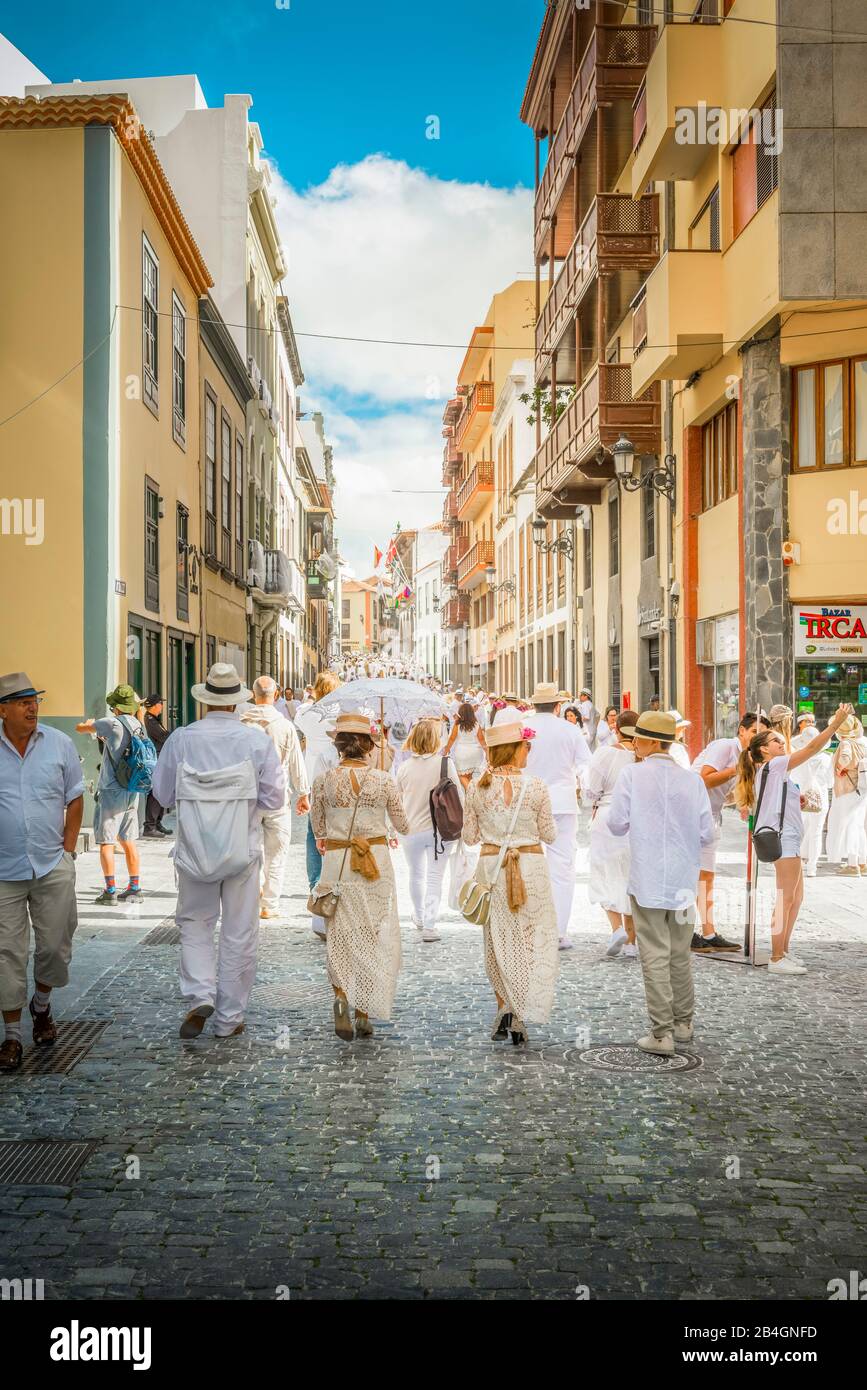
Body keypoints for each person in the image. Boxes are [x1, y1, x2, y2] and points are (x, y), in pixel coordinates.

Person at [151, 663, 286, 1039]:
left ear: (205, 700)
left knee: (194, 923)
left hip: (194, 850)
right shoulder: (256, 741)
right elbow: (275, 798)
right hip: (241, 850)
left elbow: (161, 794)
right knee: (240, 931)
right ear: (236, 703)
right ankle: (229, 1019)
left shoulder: (181, 739)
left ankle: (198, 996)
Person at [608, 710, 716, 1055]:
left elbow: (616, 824)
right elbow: (707, 833)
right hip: (684, 880)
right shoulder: (692, 780)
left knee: (654, 952)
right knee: (679, 953)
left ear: (653, 741)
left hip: (648, 877)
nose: (634, 743)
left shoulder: (632, 775)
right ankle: (684, 1024)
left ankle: (661, 1033)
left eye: (638, 738)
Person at [0, 672, 84, 1072]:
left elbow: (75, 796)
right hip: (3, 869)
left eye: (35, 700)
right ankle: (13, 1036)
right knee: (6, 953)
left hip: (52, 863)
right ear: (2, 710)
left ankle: (42, 1005)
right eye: (22, 702)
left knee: (54, 946)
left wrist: (68, 849)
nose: (32, 707)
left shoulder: (59, 744)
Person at [311, 713, 409, 1041]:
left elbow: (319, 830)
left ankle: (340, 997)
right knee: (371, 933)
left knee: (339, 933)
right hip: (375, 863)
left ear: (338, 745)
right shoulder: (383, 780)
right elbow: (403, 824)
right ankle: (364, 1011)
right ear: (368, 745)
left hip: (338, 861)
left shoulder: (323, 780)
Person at [733, 704, 852, 974]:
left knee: (796, 897)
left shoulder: (775, 772)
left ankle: (783, 950)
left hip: (790, 837)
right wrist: (835, 725)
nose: (780, 743)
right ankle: (776, 957)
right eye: (775, 741)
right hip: (783, 838)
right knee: (785, 898)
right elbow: (811, 750)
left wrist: (794, 798)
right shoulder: (774, 765)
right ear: (764, 749)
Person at [462, 720, 558, 1045]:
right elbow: (550, 834)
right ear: (516, 750)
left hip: (492, 869)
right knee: (528, 941)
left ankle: (505, 1005)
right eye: (525, 745)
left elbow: (470, 837)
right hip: (530, 866)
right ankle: (518, 1011)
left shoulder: (477, 787)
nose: (528, 750)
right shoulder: (537, 787)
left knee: (496, 941)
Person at [691, 712, 769, 952]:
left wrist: (743, 802)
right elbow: (705, 779)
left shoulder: (750, 760)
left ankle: (709, 932)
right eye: (754, 732)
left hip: (711, 816)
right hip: (691, 813)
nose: (758, 738)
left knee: (707, 876)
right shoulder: (725, 747)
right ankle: (685, 930)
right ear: (742, 732)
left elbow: (728, 795)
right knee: (690, 875)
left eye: (763, 736)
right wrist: (737, 769)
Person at [524, 682, 591, 949]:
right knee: (562, 867)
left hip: (528, 800)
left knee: (528, 864)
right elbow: (586, 764)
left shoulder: (523, 728)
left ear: (534, 704)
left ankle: (531, 927)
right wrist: (586, 791)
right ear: (557, 705)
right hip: (562, 802)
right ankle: (560, 931)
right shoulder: (569, 729)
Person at [240, 676, 311, 918]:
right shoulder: (285, 726)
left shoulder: (242, 724)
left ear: (253, 694)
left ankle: (255, 889)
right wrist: (303, 793)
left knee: (251, 847)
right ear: (277, 695)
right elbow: (296, 763)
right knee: (277, 851)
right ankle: (269, 904)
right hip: (277, 794)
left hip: (247, 794)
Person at [75, 685, 147, 904]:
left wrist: (89, 723)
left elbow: (80, 728)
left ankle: (110, 890)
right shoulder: (137, 725)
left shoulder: (111, 723)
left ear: (115, 707)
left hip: (111, 789)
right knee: (128, 840)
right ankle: (134, 887)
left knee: (107, 841)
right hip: (132, 789)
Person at [396, 719, 463, 942]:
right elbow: (459, 797)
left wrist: (391, 830)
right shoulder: (445, 764)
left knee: (415, 874)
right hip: (440, 830)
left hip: (410, 829)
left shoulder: (404, 768)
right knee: (435, 876)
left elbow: (396, 801)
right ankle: (430, 926)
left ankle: (420, 916)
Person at [584, 710, 640, 960]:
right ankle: (631, 940)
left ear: (616, 729)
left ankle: (616, 928)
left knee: (605, 873)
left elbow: (590, 790)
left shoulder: (605, 753)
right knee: (631, 877)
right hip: (636, 820)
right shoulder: (644, 757)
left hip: (607, 815)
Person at [294, 671, 341, 911]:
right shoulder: (342, 713)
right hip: (338, 778)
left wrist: (311, 700)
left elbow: (299, 721)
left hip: (314, 778)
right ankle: (336, 884)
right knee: (338, 833)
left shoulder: (307, 713)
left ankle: (315, 886)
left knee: (313, 836)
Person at [790, 712, 833, 877]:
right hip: (820, 798)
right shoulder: (826, 759)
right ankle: (812, 868)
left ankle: (798, 862)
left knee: (799, 830)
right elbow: (830, 783)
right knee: (816, 831)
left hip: (799, 798)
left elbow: (792, 778)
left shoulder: (798, 758)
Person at [826, 713, 867, 875]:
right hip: (861, 789)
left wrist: (840, 768)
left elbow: (845, 758)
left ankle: (852, 865)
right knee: (858, 826)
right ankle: (862, 862)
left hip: (848, 789)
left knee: (848, 826)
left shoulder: (846, 743)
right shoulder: (863, 742)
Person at [142, 695, 171, 838]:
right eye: (160, 703)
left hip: (161, 758)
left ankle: (157, 822)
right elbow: (164, 737)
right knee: (155, 792)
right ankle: (150, 826)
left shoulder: (154, 719)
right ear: (154, 705)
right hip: (156, 759)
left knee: (161, 791)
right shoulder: (150, 720)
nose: (162, 706)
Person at [444, 701, 487, 788]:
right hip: (476, 752)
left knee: (461, 776)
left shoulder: (457, 724)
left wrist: (446, 750)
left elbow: (452, 738)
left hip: (462, 753)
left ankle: (471, 794)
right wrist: (487, 751)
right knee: (470, 777)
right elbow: (482, 740)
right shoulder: (476, 724)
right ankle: (471, 796)